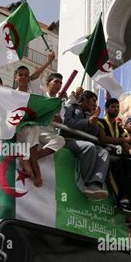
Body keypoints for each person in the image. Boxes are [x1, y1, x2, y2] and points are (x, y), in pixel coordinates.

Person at [14, 49, 56, 187]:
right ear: (15, 78)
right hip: (19, 128)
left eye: (26, 75)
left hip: (34, 128)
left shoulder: (34, 91)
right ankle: (35, 169)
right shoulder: (11, 94)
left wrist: (49, 61)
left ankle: (28, 159)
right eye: (20, 75)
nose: (24, 77)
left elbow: (35, 76)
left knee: (57, 140)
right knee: (34, 128)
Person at [62, 90, 110, 200]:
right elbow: (67, 122)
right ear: (85, 99)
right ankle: (87, 183)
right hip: (68, 140)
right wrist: (87, 122)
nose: (95, 104)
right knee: (90, 147)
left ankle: (96, 183)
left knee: (104, 152)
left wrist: (93, 121)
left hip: (83, 142)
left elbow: (95, 133)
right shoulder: (71, 107)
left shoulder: (89, 114)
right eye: (93, 100)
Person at [35, 73, 66, 161]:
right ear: (48, 83)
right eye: (56, 81)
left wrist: (58, 107)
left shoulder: (61, 104)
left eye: (60, 83)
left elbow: (59, 123)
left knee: (60, 140)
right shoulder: (40, 96)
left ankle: (34, 158)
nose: (59, 85)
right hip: (36, 129)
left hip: (48, 134)